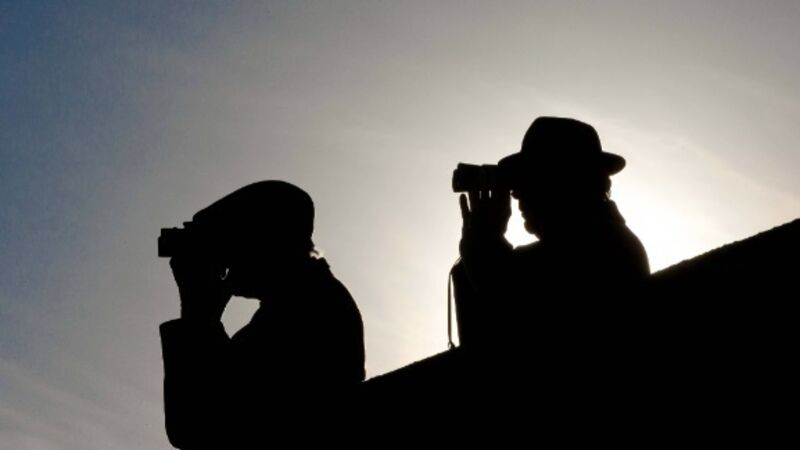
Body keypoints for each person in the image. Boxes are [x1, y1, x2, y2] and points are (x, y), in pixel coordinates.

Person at [159, 181, 365, 449]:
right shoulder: (302, 304)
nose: (224, 259)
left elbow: (196, 426)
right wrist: (202, 318)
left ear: (262, 242)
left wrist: (198, 316)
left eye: (230, 243)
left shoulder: (304, 313)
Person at [453, 117, 650, 391]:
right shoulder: (607, 238)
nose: (516, 193)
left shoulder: (595, 245)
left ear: (563, 181)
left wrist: (484, 237)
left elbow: (505, 288)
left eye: (530, 179)